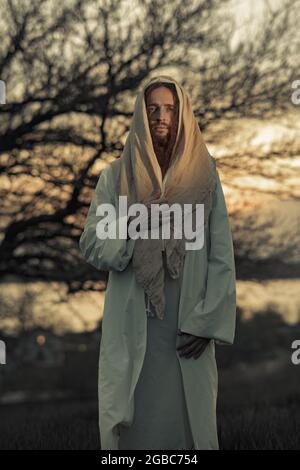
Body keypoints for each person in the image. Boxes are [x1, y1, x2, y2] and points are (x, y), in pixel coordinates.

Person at [79, 75, 236, 450]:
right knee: (132, 435)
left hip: (187, 331)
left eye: (169, 109)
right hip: (135, 328)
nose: (161, 117)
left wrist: (206, 323)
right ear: (140, 115)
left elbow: (221, 255)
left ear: (182, 116)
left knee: (188, 431)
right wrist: (137, 227)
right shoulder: (116, 177)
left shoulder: (205, 177)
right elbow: (93, 243)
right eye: (153, 110)